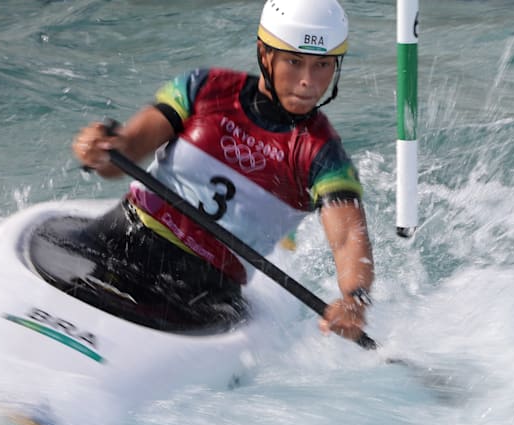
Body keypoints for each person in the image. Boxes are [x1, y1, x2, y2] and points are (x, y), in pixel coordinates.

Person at [69, 0, 374, 341]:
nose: (308, 81)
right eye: (294, 61)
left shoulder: (322, 154)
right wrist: (101, 150)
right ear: (264, 53)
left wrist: (353, 300)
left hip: (201, 291)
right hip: (119, 238)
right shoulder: (205, 89)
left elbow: (348, 239)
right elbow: (126, 152)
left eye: (322, 65)